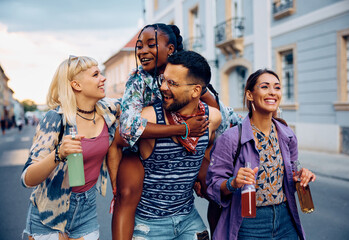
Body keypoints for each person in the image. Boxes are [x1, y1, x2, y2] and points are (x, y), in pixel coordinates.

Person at [112, 23, 241, 239]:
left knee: (216, 182)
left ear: (170, 49)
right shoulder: (139, 78)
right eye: (139, 46)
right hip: (143, 137)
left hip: (183, 143)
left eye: (150, 45)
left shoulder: (187, 71)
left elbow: (219, 113)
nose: (142, 51)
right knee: (127, 191)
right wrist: (183, 128)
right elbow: (126, 129)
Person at [206, 69, 316, 240]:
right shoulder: (231, 138)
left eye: (277, 88)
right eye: (265, 87)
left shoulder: (287, 135)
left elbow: (292, 176)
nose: (272, 92)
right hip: (249, 223)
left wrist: (301, 177)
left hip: (285, 219)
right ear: (250, 95)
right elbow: (213, 185)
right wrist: (233, 182)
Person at [21, 55, 122, 240]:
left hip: (87, 209)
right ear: (77, 85)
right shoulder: (55, 119)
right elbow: (27, 179)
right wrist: (58, 153)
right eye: (96, 74)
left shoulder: (110, 110)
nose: (103, 78)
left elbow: (141, 108)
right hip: (49, 213)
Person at [133, 50, 221, 239]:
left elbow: (207, 147)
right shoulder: (149, 117)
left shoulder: (212, 117)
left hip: (188, 219)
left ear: (196, 90)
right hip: (149, 224)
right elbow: (121, 136)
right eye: (163, 80)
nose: (163, 87)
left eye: (172, 83)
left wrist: (199, 175)